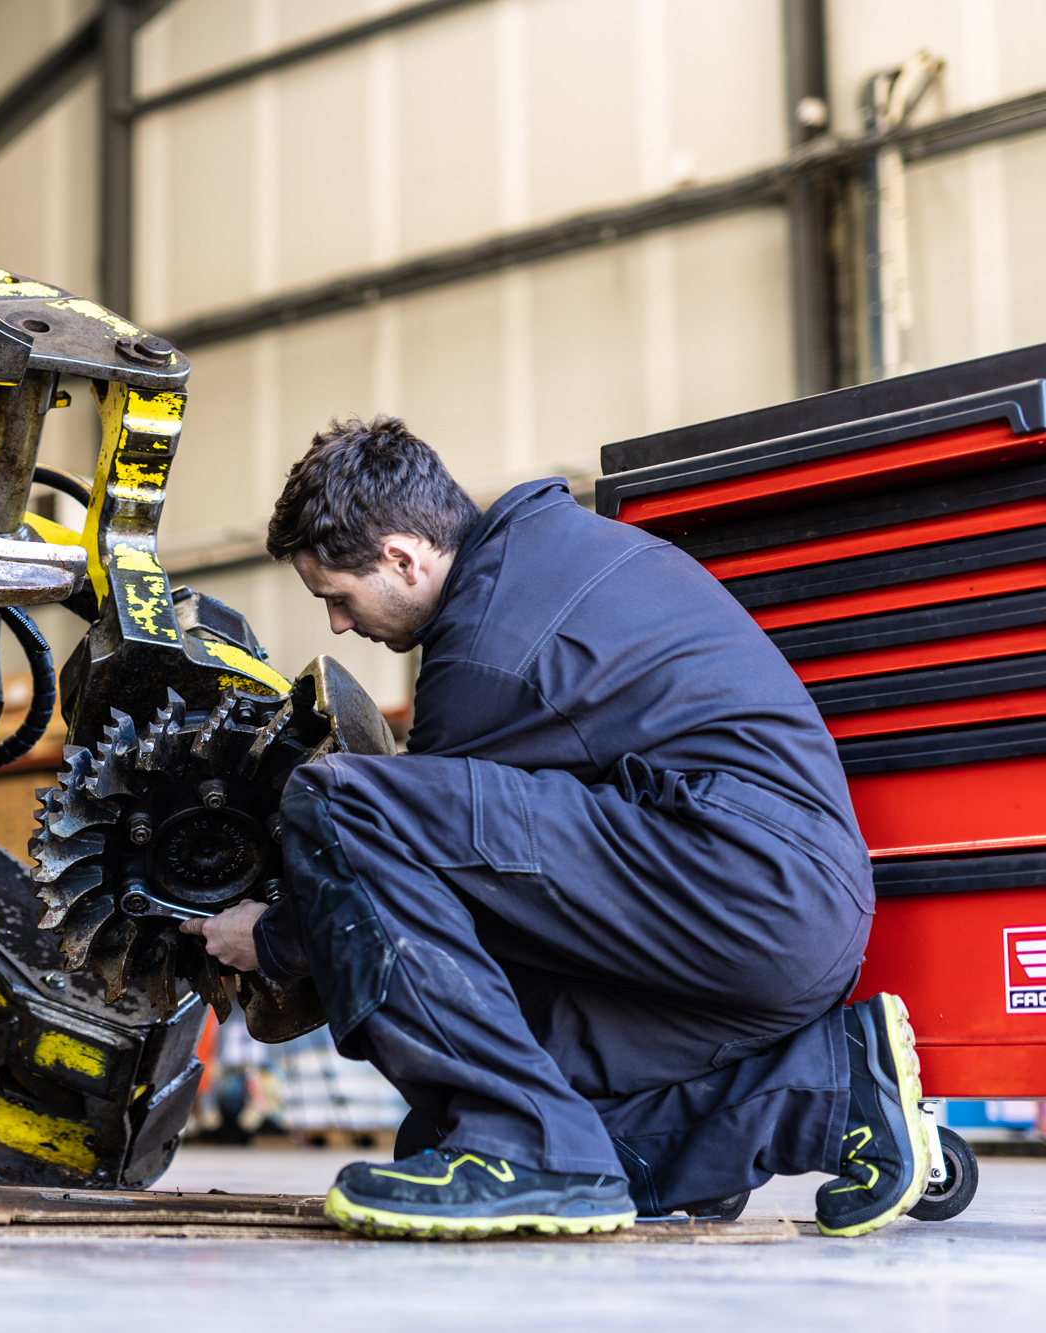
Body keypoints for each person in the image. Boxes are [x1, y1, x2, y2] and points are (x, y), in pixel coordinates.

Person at [181, 417, 928, 1239]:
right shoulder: (550, 558)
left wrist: (275, 940)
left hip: (740, 887)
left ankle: (523, 1146)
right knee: (447, 1136)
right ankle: (830, 1090)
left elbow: (390, 853)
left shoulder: (488, 654)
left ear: (402, 557)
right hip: (776, 917)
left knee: (339, 801)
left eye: (337, 598)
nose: (337, 626)